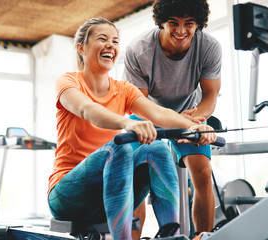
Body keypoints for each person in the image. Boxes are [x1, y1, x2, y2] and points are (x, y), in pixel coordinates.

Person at [47, 17, 218, 240]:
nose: (111, 45)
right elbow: (88, 110)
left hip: (107, 193)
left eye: (115, 41)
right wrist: (127, 122)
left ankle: (170, 234)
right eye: (103, 39)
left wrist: (196, 127)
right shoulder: (69, 81)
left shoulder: (123, 89)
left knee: (156, 148)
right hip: (67, 196)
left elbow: (160, 114)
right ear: (82, 48)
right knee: (120, 148)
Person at [123, 0, 222, 235]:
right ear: (161, 22)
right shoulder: (138, 50)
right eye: (173, 23)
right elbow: (140, 104)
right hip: (145, 115)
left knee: (202, 172)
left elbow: (210, 95)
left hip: (191, 113)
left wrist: (196, 120)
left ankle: (202, 237)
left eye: (189, 23)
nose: (181, 31)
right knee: (138, 180)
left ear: (199, 23)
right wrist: (179, 121)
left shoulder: (209, 47)